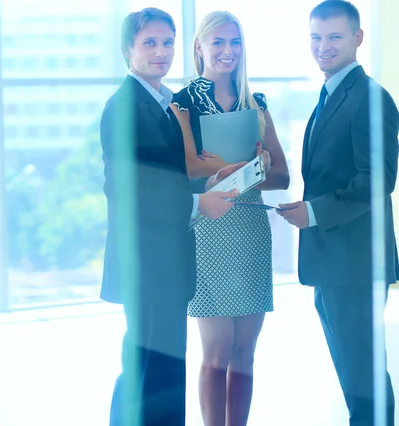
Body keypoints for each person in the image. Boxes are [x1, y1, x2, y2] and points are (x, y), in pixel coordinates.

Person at [100, 7, 244, 426]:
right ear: (128, 50)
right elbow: (128, 191)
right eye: (149, 43)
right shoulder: (126, 107)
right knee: (149, 373)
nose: (161, 52)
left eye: (167, 42)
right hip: (146, 266)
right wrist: (199, 204)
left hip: (164, 265)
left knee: (158, 372)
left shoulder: (160, 104)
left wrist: (212, 180)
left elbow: (166, 176)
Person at [278, 1, 398, 425]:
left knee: (363, 373)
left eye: (334, 36)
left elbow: (377, 179)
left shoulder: (369, 98)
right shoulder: (331, 94)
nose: (323, 46)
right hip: (334, 260)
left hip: (356, 261)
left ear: (357, 38)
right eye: (316, 36)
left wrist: (313, 213)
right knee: (354, 372)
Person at [170, 10, 290, 426]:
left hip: (251, 230)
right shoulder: (181, 104)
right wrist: (243, 167)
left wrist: (232, 167)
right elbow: (184, 173)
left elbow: (280, 176)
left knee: (245, 352)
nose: (227, 51)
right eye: (217, 42)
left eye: (234, 42)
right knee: (217, 351)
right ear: (199, 46)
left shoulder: (255, 104)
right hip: (208, 230)